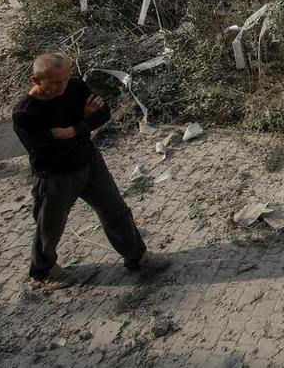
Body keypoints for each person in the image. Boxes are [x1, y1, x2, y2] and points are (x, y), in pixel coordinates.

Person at [12, 52, 168, 287]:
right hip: (56, 176)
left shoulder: (74, 87)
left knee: (115, 210)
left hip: (90, 163)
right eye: (55, 82)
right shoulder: (25, 113)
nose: (63, 86)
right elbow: (50, 152)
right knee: (50, 224)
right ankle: (43, 270)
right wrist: (84, 122)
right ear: (36, 81)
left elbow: (103, 113)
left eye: (66, 78)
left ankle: (136, 256)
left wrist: (73, 130)